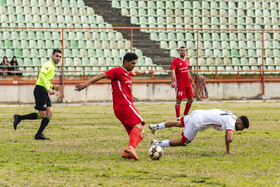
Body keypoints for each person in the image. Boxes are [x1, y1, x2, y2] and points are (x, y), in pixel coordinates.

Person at [75, 53, 154, 160]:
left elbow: (135, 72)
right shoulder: (118, 71)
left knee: (141, 133)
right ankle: (131, 147)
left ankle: (128, 152)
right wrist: (85, 85)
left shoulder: (127, 73)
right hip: (124, 105)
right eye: (133, 63)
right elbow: (100, 76)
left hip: (121, 107)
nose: (134, 65)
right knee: (138, 125)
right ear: (125, 62)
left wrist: (147, 71)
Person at [149, 109, 249, 155]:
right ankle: (157, 143)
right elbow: (229, 137)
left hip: (197, 113)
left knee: (178, 123)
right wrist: (230, 137)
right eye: (242, 127)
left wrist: (228, 151)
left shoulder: (231, 114)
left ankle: (156, 126)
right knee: (183, 142)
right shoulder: (231, 122)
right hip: (198, 122)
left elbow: (227, 135)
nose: (240, 130)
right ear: (239, 122)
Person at [13, 49, 62, 140]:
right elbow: (41, 76)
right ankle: (19, 117)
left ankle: (39, 134)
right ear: (52, 56)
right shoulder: (48, 64)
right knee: (42, 115)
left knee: (49, 113)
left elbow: (45, 80)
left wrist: (53, 87)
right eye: (57, 56)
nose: (58, 58)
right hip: (40, 90)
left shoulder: (52, 66)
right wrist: (48, 89)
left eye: (60, 57)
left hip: (43, 90)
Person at [171, 46, 195, 121]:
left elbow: (187, 70)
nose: (183, 52)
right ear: (179, 52)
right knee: (179, 100)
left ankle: (184, 116)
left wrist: (191, 80)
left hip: (188, 83)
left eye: (184, 50)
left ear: (186, 52)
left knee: (191, 100)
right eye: (181, 50)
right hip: (180, 84)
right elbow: (172, 71)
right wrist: (173, 81)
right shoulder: (175, 61)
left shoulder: (187, 61)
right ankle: (178, 118)